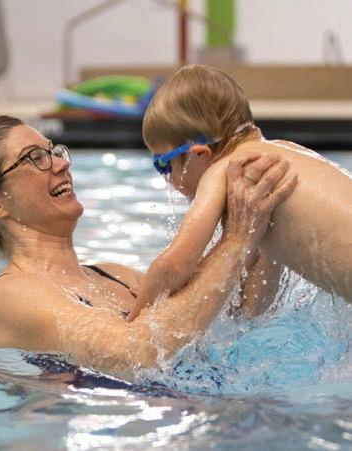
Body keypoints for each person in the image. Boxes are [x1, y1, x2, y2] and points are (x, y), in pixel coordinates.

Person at [0, 116, 294, 379]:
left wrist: (262, 226)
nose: (60, 164)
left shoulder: (114, 275)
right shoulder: (9, 296)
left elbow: (238, 317)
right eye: (35, 158)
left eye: (53, 151)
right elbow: (139, 356)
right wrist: (236, 240)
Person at [127, 64, 352, 321]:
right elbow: (251, 310)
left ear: (199, 154)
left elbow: (174, 265)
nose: (167, 179)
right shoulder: (282, 153)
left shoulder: (226, 168)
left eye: (163, 165)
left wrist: (136, 316)